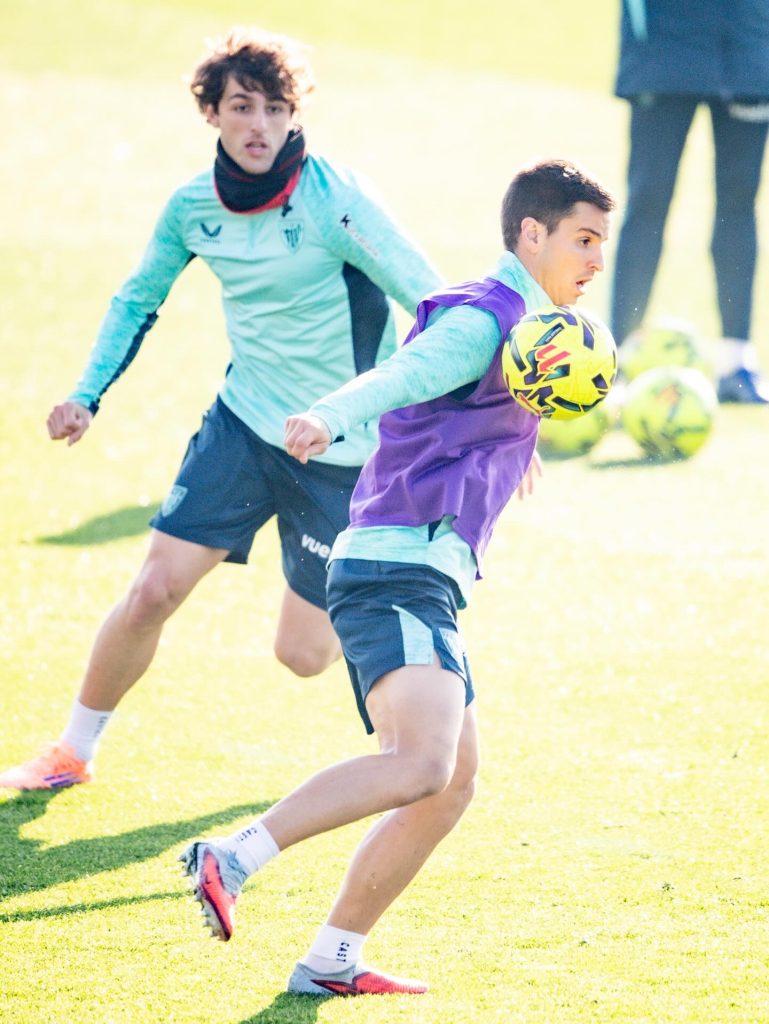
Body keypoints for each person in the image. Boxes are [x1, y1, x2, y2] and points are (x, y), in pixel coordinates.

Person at [179, 159, 615, 997]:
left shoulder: (529, 331)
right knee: (421, 764)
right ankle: (232, 855)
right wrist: (330, 416)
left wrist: (508, 441)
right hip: (394, 568)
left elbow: (454, 409)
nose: (596, 261)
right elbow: (404, 376)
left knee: (450, 785)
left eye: (602, 243)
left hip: (420, 573)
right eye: (582, 240)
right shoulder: (485, 318)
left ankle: (332, 958)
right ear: (532, 234)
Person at [0, 27, 442, 792]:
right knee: (152, 590)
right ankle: (73, 750)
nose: (260, 126)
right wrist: (85, 393)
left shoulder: (335, 200)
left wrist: (459, 416)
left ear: (294, 114)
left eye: (276, 108)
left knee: (301, 655)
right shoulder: (191, 209)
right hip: (243, 425)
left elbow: (431, 302)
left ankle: (388, 620)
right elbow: (139, 298)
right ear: (212, 112)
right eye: (242, 107)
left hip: (338, 451)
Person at [610, 0, 769, 403]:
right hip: (662, 46)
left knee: (738, 203)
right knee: (648, 200)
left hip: (748, 42)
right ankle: (617, 361)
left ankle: (735, 362)